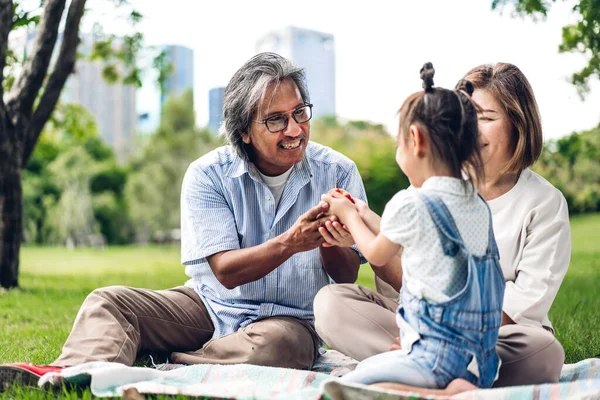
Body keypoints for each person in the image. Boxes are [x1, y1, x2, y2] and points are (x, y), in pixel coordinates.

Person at [0, 52, 368, 390]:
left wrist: (326, 241)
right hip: (210, 307)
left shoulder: (338, 171)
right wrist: (291, 242)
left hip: (290, 322)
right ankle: (69, 375)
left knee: (277, 348)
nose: (294, 130)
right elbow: (224, 270)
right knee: (110, 302)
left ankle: (160, 371)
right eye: (276, 120)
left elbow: (347, 275)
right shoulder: (208, 175)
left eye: (300, 112)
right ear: (243, 131)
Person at [314, 62, 571, 391]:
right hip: (432, 330)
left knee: (543, 350)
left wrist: (356, 222)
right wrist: (362, 221)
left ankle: (414, 370)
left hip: (492, 336)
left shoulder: (544, 203)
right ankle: (444, 377)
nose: (471, 129)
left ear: (518, 125)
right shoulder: (439, 189)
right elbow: (409, 258)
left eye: (486, 117)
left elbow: (514, 312)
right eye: (466, 117)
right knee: (331, 304)